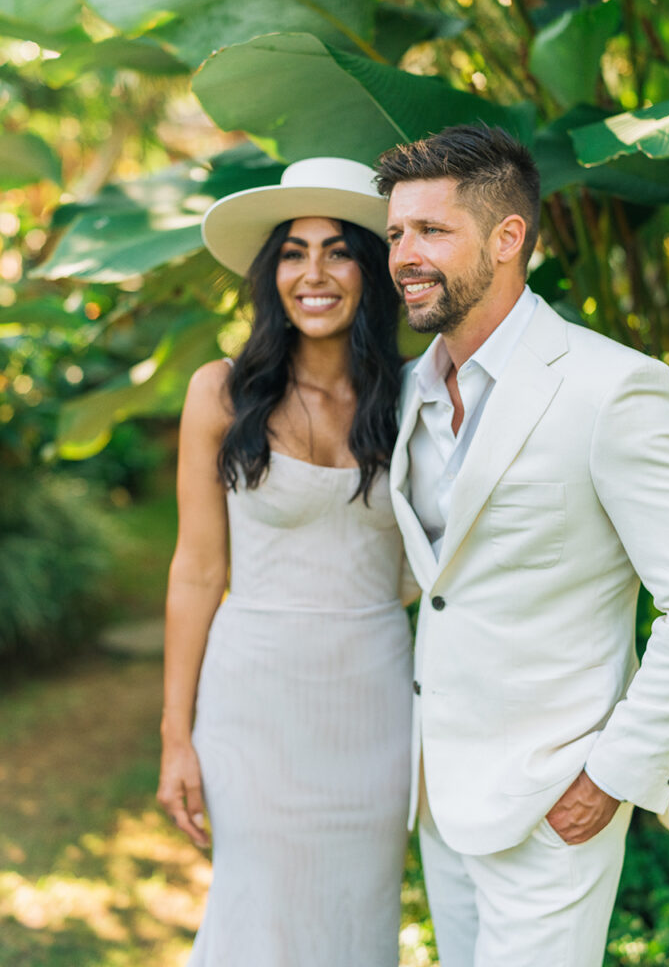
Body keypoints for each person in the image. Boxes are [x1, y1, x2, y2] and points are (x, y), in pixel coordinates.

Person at [375, 124, 669, 967]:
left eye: (431, 231)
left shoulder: (613, 389)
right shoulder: (409, 389)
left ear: (508, 238)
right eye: (397, 232)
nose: (404, 254)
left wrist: (615, 775)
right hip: (440, 798)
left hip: (555, 804)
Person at [156, 157, 417, 966]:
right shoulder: (223, 392)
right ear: (271, 273)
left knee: (356, 922)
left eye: (339, 250)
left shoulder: (417, 399)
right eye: (294, 252)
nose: (314, 273)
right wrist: (175, 734)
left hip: (374, 708)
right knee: (256, 920)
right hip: (252, 707)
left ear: (370, 273)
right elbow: (197, 571)